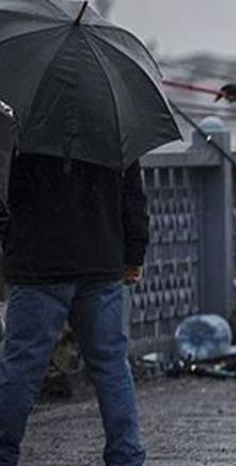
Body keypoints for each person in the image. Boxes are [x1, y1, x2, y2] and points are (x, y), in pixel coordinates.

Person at [0, 154, 149, 466]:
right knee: (111, 366)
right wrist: (134, 252)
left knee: (21, 367)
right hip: (100, 260)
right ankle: (127, 456)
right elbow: (132, 192)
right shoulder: (114, 116)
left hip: (37, 261)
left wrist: (9, 240)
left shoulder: (23, 117)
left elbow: (5, 191)